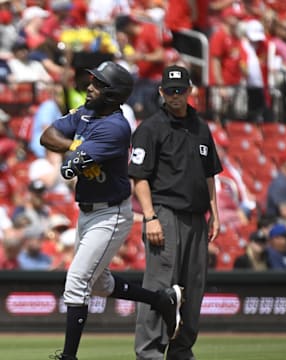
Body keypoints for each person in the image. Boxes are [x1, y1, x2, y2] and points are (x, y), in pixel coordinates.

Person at [39, 61, 184, 360]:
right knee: (101, 283)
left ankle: (68, 357)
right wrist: (77, 143)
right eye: (93, 81)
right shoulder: (87, 113)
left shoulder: (116, 128)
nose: (90, 86)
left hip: (111, 214)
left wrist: (72, 148)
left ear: (113, 93)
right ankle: (161, 300)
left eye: (98, 84)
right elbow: (47, 137)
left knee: (77, 281)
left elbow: (68, 169)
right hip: (88, 211)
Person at [128, 64, 222, 360]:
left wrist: (215, 213)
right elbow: (139, 177)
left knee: (193, 289)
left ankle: (182, 352)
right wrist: (150, 216)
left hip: (197, 217)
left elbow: (209, 175)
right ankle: (149, 352)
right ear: (161, 92)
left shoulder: (200, 127)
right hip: (164, 213)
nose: (175, 96)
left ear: (190, 91)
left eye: (180, 90)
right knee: (159, 287)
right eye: (170, 90)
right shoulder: (150, 128)